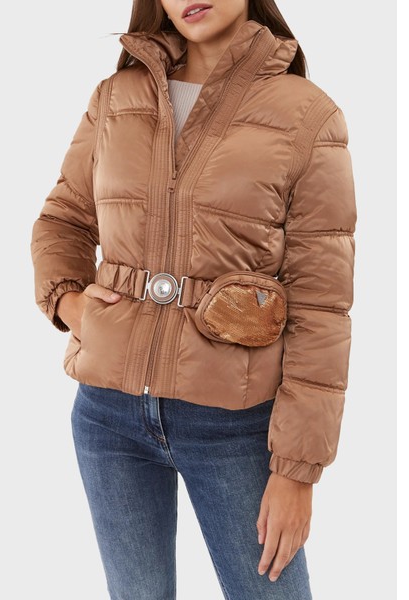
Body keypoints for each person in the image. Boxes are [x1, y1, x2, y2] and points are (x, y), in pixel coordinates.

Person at [30, 1, 357, 598]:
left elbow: (322, 307)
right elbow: (62, 221)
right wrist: (72, 307)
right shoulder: (116, 96)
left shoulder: (309, 115)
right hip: (107, 415)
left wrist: (297, 470)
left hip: (235, 425)